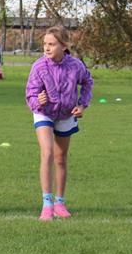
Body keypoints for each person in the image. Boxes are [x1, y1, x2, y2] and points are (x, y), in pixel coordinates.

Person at [25, 25, 93, 221]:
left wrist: (82, 104)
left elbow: (87, 82)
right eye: (45, 44)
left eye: (52, 44)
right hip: (44, 113)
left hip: (66, 114)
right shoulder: (39, 66)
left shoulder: (76, 65)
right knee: (47, 153)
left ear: (64, 46)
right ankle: (47, 204)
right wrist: (39, 101)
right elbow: (30, 94)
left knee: (60, 158)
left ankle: (59, 203)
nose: (47, 48)